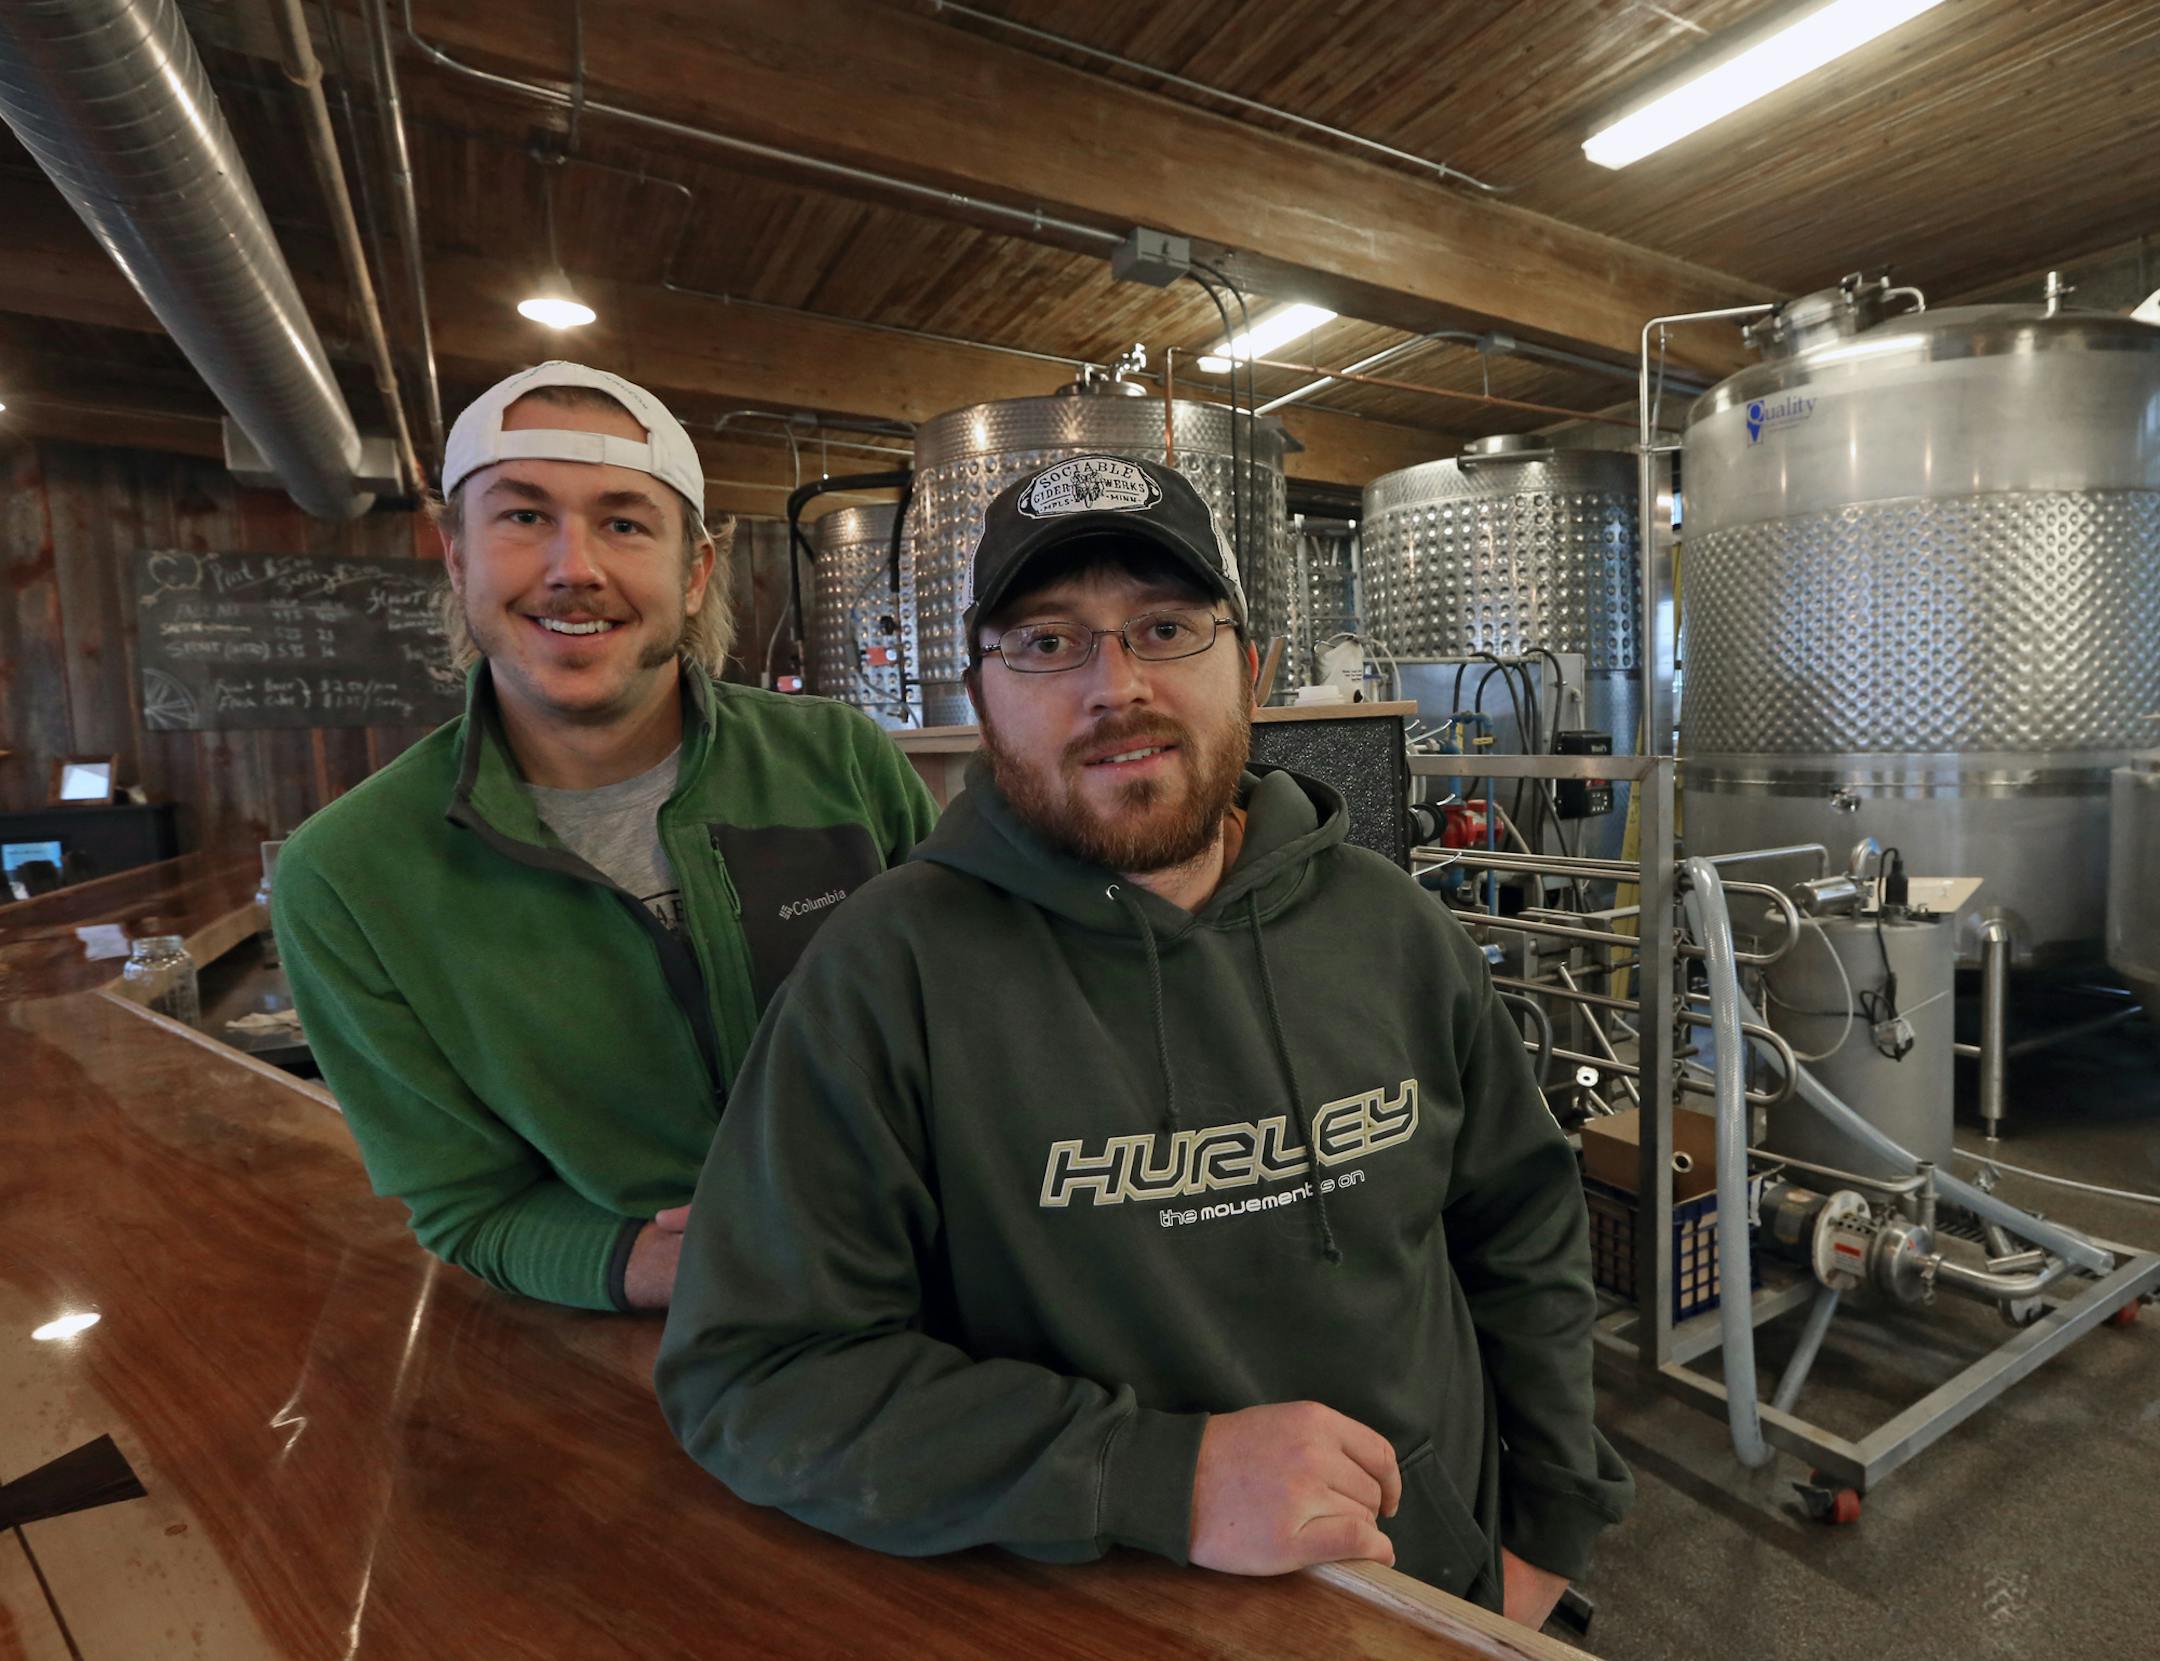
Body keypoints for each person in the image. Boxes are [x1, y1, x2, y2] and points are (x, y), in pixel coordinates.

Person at [654, 454, 1633, 1626]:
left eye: (1166, 627)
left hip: (1445, 1584)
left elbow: (1522, 1229)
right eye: (1047, 641)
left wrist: (1546, 1529)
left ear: (1252, 669)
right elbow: (754, 1377)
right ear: (981, 693)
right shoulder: (885, 973)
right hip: (1119, 1610)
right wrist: (1159, 1474)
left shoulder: (1393, 926)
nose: (1115, 685)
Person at [277, 362, 937, 1313]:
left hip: (932, 1281)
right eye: (523, 516)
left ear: (695, 567)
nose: (573, 566)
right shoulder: (347, 876)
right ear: (457, 556)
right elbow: (467, 1206)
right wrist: (658, 1264)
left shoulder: (840, 759)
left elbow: (967, 1028)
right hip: (648, 1349)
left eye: (624, 522)